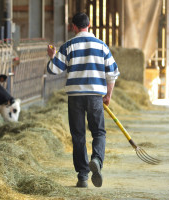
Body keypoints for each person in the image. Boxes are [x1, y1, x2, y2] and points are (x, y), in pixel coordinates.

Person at [46, 12, 119, 188]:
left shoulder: (68, 46)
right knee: (99, 132)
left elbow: (53, 70)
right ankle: (96, 160)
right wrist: (108, 95)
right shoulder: (102, 46)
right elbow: (112, 74)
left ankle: (83, 176)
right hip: (95, 96)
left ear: (73, 27)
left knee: (78, 135)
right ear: (89, 25)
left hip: (75, 96)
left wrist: (51, 56)